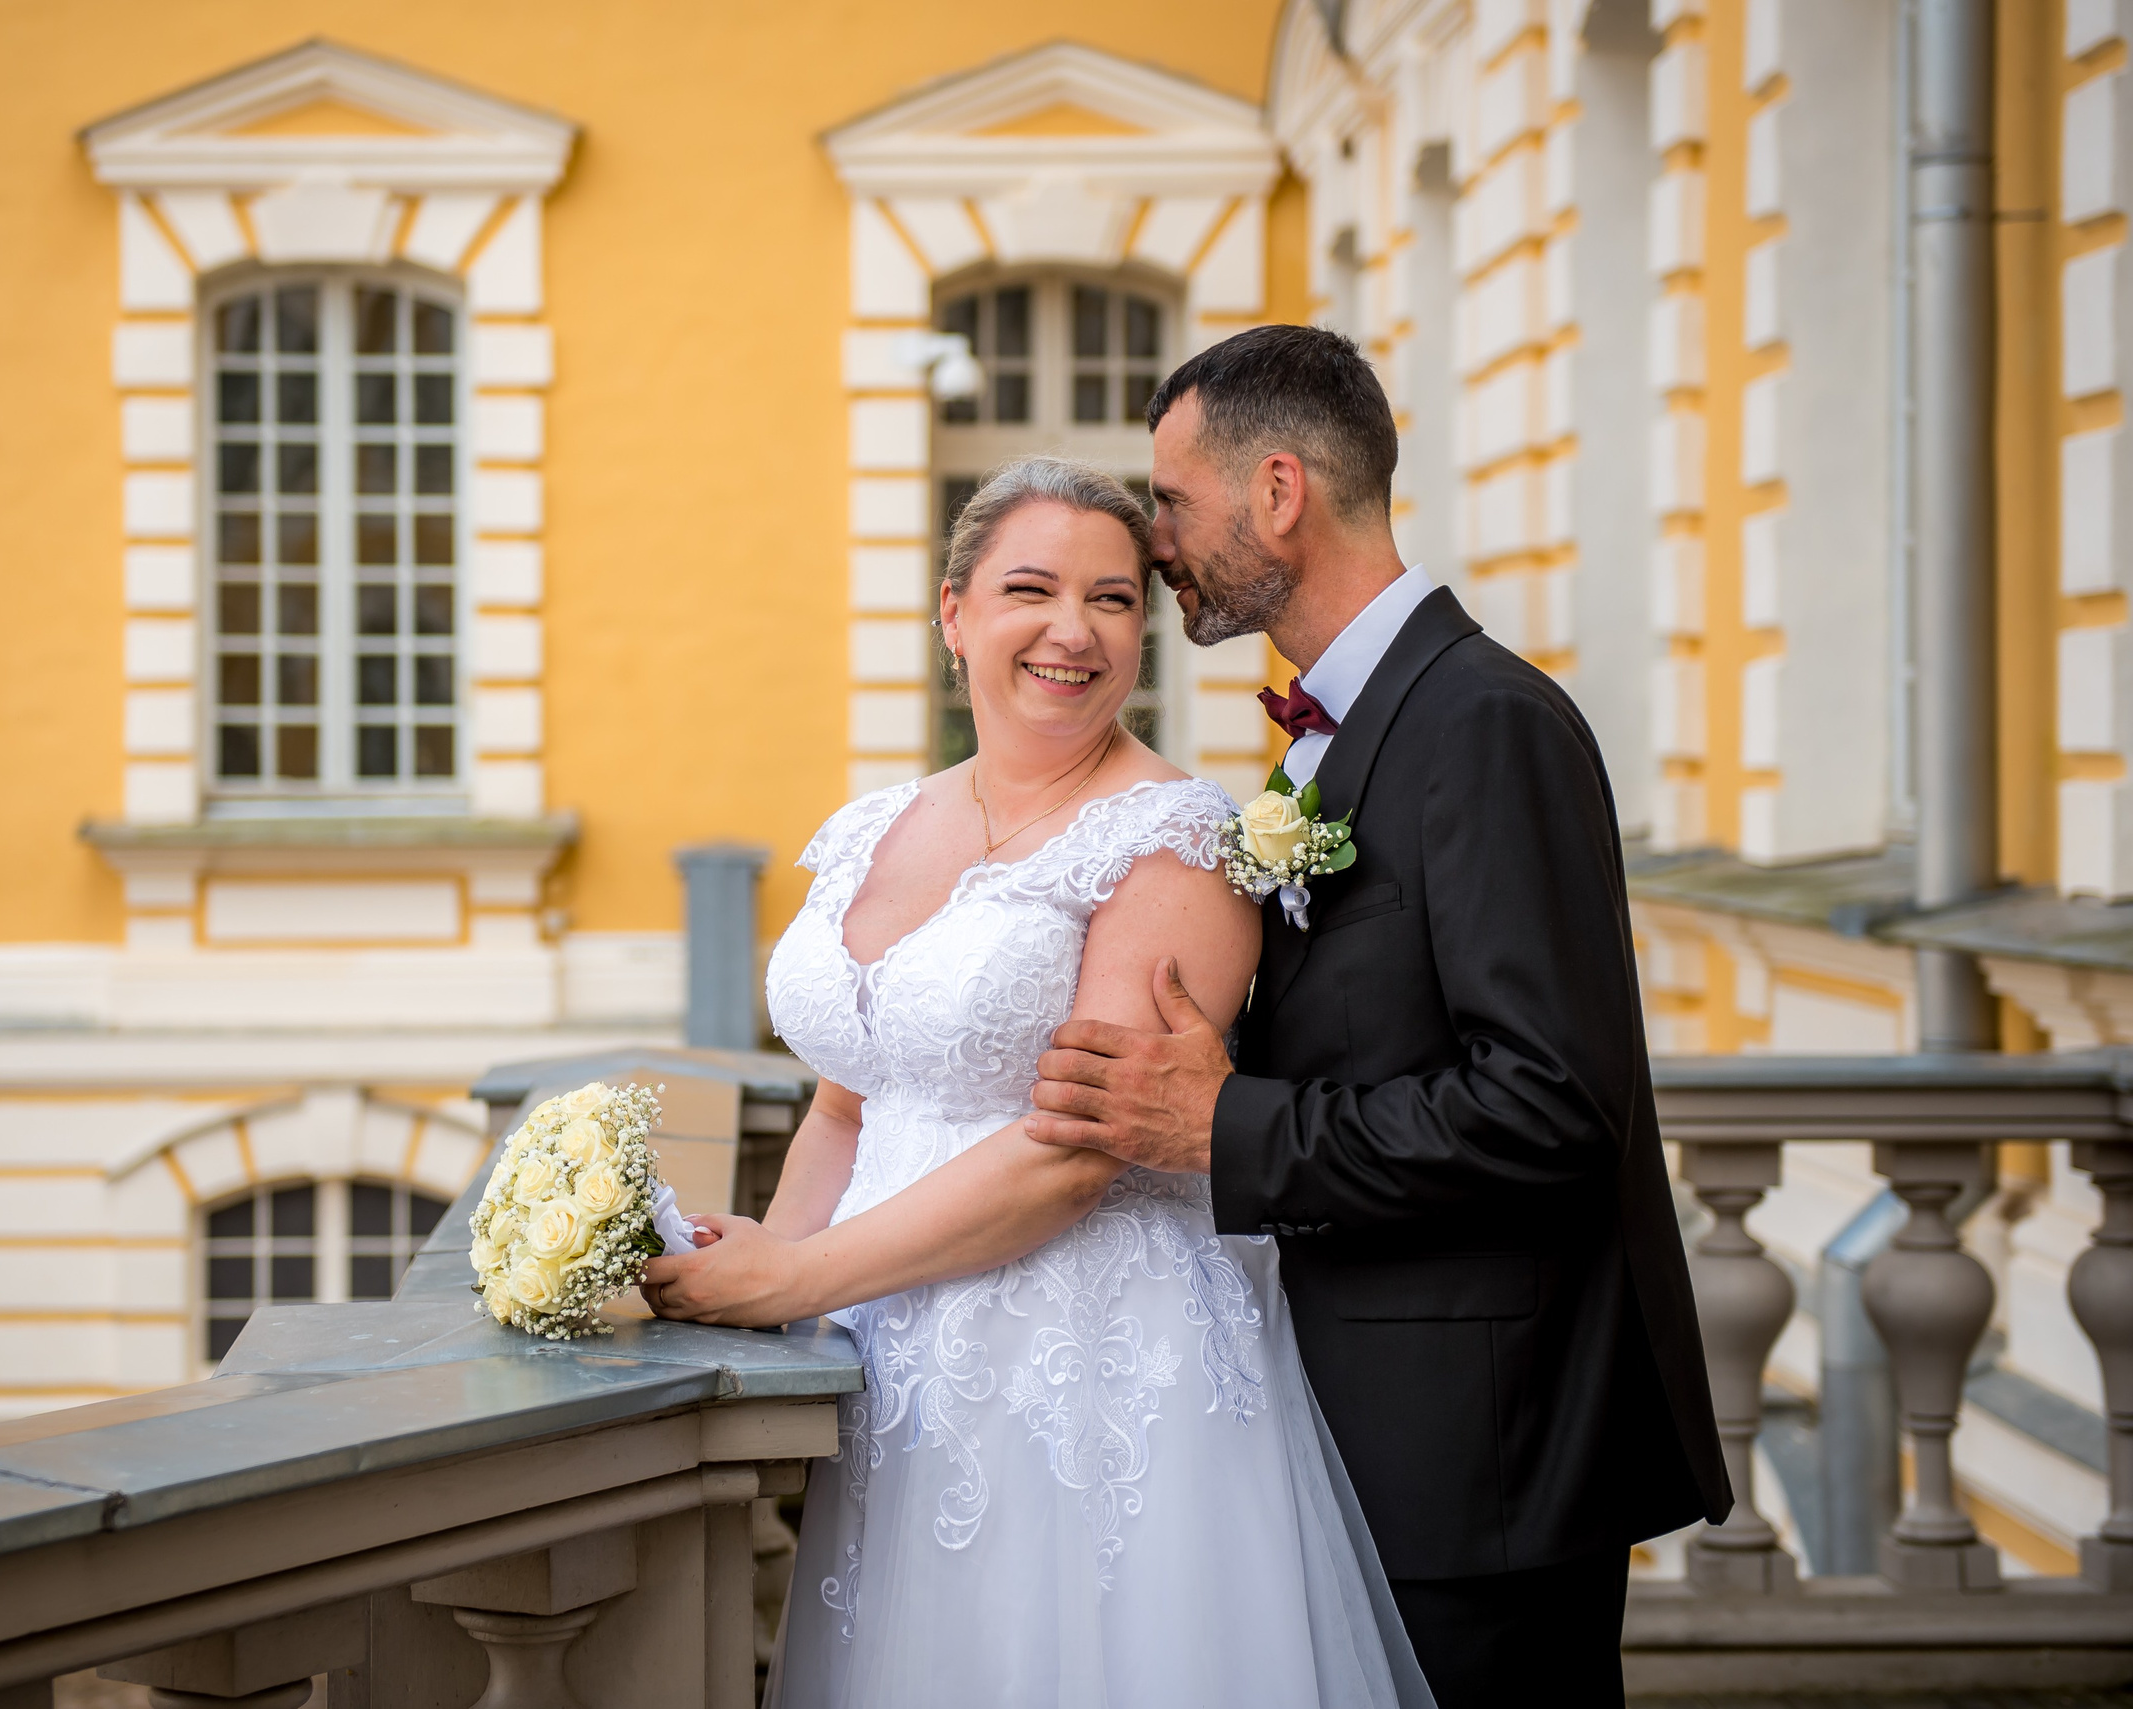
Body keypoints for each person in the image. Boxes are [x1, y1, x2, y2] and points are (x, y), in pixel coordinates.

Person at [643, 454, 1433, 1707]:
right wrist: (765, 1279)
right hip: (892, 1351)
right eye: (1031, 588)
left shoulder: (1176, 838)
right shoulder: (869, 828)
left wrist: (798, 1273)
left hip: (1088, 1363)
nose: (1073, 630)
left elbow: (1079, 1148)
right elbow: (850, 1097)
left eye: (1114, 600)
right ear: (954, 614)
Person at [1021, 323, 1731, 1708]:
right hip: (1385, 1430)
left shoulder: (1485, 724)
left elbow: (1551, 1106)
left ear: (1277, 490)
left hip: (1487, 1461)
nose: (1157, 545)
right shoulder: (1330, 739)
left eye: (1172, 501)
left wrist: (1228, 1121)